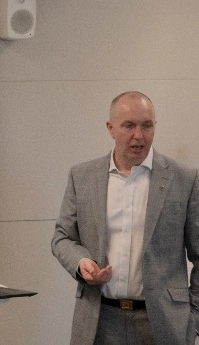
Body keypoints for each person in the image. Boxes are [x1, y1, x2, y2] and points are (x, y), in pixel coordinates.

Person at [52, 91, 199, 344]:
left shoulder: (184, 179)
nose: (138, 135)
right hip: (99, 321)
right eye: (129, 126)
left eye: (147, 125)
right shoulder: (83, 176)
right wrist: (82, 262)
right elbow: (62, 238)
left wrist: (194, 318)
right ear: (110, 128)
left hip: (164, 324)